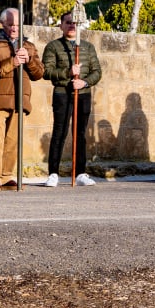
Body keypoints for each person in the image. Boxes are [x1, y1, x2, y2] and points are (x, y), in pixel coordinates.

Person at [0, 8, 45, 191]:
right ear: (2, 24)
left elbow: (38, 73)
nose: (14, 29)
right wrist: (12, 62)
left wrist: (28, 60)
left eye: (17, 25)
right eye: (10, 25)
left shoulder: (28, 45)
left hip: (19, 100)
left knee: (13, 140)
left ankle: (7, 176)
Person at [42, 12, 102, 187]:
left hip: (82, 95)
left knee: (80, 134)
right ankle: (53, 173)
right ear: (61, 25)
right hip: (62, 94)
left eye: (75, 22)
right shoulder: (53, 46)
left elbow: (97, 72)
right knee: (59, 132)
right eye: (68, 22)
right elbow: (46, 71)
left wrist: (84, 82)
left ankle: (81, 172)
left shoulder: (88, 47)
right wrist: (68, 74)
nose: (72, 26)